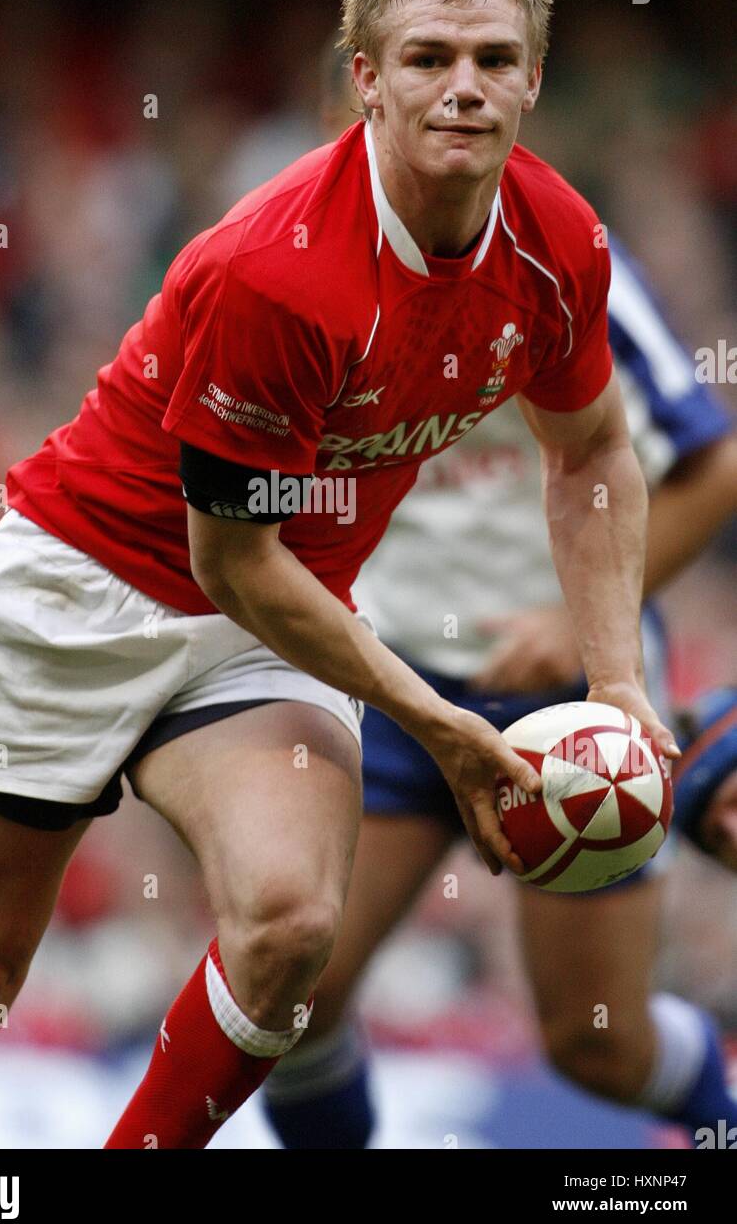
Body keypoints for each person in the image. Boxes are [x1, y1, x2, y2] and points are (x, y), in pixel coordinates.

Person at [0, 0, 679, 1151]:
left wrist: (616, 679)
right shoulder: (282, 271)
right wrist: (446, 727)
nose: (462, 88)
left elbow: (591, 452)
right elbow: (229, 557)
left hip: (265, 634)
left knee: (292, 928)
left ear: (531, 77)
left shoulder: (559, 242)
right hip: (83, 587)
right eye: (425, 59)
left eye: (493, 59)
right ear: (364, 78)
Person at [260, 62, 737, 1148]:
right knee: (288, 1004)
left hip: (571, 700)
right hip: (383, 686)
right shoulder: (288, 278)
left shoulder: (565, 261)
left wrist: (577, 628)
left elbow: (710, 467)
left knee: (595, 1044)